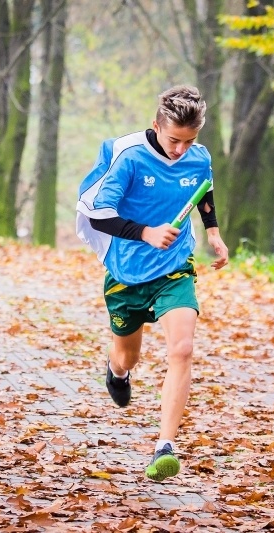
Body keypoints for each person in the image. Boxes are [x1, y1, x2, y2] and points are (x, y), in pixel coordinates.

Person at [76, 85, 229, 482]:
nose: (181, 150)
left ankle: (165, 446)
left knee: (182, 349)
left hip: (174, 267)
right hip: (126, 273)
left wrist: (213, 232)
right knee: (128, 356)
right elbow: (96, 214)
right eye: (174, 139)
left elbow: (203, 189)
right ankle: (117, 370)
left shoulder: (198, 156)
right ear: (156, 125)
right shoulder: (126, 154)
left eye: (189, 140)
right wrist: (144, 233)